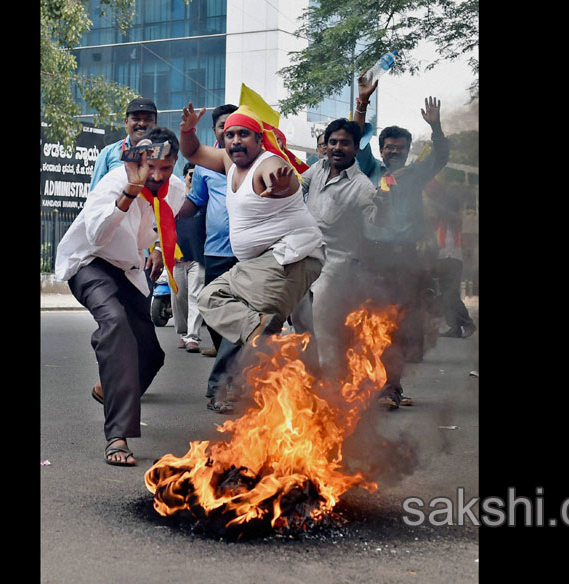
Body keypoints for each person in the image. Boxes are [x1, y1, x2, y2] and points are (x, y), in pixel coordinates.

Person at [178, 103, 324, 410]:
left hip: (288, 258)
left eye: (243, 134)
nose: (234, 141)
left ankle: (275, 356)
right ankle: (266, 336)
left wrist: (283, 185)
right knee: (210, 298)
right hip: (260, 264)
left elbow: (283, 179)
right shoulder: (228, 162)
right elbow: (192, 153)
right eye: (230, 135)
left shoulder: (267, 164)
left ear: (259, 140)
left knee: (249, 318)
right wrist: (187, 130)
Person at [54, 127, 184, 466]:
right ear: (138, 158)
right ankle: (118, 436)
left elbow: (160, 225)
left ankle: (111, 390)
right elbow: (96, 236)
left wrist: (157, 248)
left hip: (127, 270)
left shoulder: (177, 189)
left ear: (174, 164)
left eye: (165, 168)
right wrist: (131, 189)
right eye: (150, 165)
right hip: (89, 263)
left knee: (152, 354)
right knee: (115, 324)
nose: (156, 175)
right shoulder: (114, 182)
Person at [352, 76, 450, 409]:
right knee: (364, 325)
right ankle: (365, 384)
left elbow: (440, 157)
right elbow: (354, 140)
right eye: (389, 146)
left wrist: (435, 128)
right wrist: (362, 104)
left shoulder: (415, 174)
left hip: (405, 262)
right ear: (382, 150)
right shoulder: (368, 169)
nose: (394, 151)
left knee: (394, 328)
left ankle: (391, 388)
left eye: (400, 147)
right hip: (370, 260)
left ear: (408, 151)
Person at [295, 118, 381, 377]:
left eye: (345, 143)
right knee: (300, 322)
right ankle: (308, 377)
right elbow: (298, 187)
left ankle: (330, 387)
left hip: (336, 267)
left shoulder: (362, 185)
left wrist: (386, 206)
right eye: (332, 142)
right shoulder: (318, 168)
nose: (337, 147)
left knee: (325, 329)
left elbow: (375, 219)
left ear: (356, 148)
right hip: (304, 258)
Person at [174, 104, 244, 413]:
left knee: (240, 321)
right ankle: (230, 374)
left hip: (248, 256)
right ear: (217, 132)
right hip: (215, 252)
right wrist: (163, 222)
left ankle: (220, 384)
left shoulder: (256, 162)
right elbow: (193, 204)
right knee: (215, 317)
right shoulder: (205, 165)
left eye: (239, 129)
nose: (231, 136)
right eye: (224, 129)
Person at [426, 182, 476, 339]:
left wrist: (433, 201)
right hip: (442, 258)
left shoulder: (454, 216)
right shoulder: (438, 219)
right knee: (447, 293)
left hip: (453, 258)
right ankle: (454, 328)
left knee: (451, 294)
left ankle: (468, 323)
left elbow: (446, 213)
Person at [88, 97, 159, 192]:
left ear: (155, 124)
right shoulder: (108, 153)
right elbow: (94, 194)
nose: (142, 124)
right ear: (126, 122)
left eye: (148, 120)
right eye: (136, 119)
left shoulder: (164, 154)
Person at [171, 162, 206, 352]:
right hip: (176, 259)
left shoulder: (204, 199)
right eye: (190, 174)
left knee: (195, 296)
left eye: (196, 175)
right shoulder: (175, 199)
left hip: (197, 258)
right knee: (179, 298)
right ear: (184, 176)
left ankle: (193, 337)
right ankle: (184, 334)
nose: (192, 178)